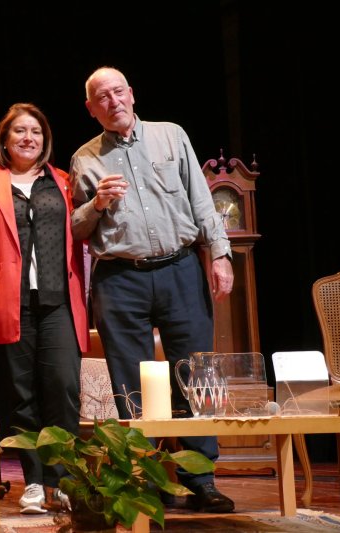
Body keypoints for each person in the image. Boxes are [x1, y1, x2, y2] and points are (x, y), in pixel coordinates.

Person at [69, 66, 235, 513]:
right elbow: (78, 228)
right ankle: (143, 476)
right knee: (131, 381)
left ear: (132, 94)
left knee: (195, 372)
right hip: (120, 278)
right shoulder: (85, 158)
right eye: (102, 97)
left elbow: (201, 198)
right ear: (91, 109)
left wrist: (218, 254)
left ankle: (200, 478)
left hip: (180, 269)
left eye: (118, 91)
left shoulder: (171, 135)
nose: (113, 101)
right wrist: (97, 203)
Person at [0, 103, 89, 514]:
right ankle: (33, 481)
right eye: (19, 131)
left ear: (44, 139)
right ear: (5, 139)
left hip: (59, 303)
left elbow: (84, 232)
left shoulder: (64, 182)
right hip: (11, 303)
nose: (27, 138)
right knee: (20, 395)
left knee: (63, 390)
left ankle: (63, 480)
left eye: (35, 131)